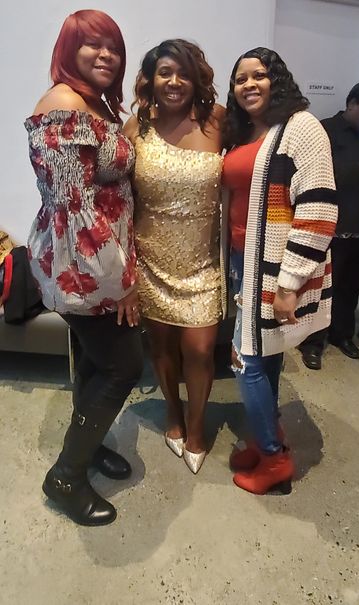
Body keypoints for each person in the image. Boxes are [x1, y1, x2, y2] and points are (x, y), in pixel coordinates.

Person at [25, 10, 144, 526]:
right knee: (123, 367)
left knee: (97, 362)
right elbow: (77, 209)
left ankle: (88, 444)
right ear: (68, 49)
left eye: (113, 47)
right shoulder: (64, 104)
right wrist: (122, 285)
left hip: (96, 261)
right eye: (92, 45)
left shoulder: (94, 104)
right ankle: (66, 476)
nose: (106, 55)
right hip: (88, 266)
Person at [222, 47, 337, 495]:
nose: (249, 84)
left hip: (273, 267)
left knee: (244, 360)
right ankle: (266, 435)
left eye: (259, 75)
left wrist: (290, 283)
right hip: (241, 262)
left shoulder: (301, 127)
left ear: (278, 80)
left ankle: (273, 458)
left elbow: (319, 208)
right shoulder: (245, 131)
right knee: (265, 355)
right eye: (240, 79)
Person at [124, 39, 224, 474]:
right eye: (165, 72)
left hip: (202, 261)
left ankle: (199, 426)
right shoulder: (136, 126)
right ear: (150, 79)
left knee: (201, 350)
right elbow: (119, 196)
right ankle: (173, 412)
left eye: (183, 72)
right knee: (161, 347)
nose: (174, 81)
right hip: (151, 259)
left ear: (197, 78)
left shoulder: (218, 121)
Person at [319, 81, 359, 359]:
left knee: (352, 285)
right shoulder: (326, 129)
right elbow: (316, 174)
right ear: (351, 103)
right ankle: (312, 343)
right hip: (335, 224)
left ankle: (342, 334)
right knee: (322, 286)